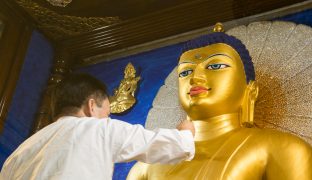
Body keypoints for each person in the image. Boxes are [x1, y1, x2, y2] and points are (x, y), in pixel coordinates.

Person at [127, 24, 312, 179]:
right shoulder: (147, 165)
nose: (195, 78)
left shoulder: (280, 149)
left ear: (251, 90)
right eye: (185, 72)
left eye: (215, 66)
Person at [0, 73, 195, 180]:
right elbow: (164, 145)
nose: (106, 119)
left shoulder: (19, 152)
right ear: (92, 106)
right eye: (107, 114)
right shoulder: (97, 129)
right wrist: (186, 133)